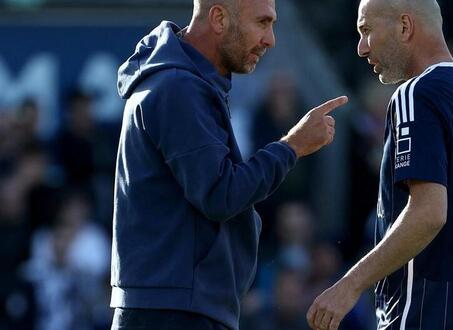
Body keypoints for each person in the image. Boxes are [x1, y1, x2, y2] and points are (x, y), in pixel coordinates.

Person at [109, 0, 348, 328]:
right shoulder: (178, 87)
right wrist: (292, 146)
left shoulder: (183, 83)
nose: (270, 39)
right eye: (262, 22)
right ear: (219, 18)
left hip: (178, 305)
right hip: (175, 311)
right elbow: (221, 193)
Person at [307, 0, 453, 329]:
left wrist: (349, 285)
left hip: (424, 315)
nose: (361, 48)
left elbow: (429, 212)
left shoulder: (417, 94)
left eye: (367, 31)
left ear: (405, 27)